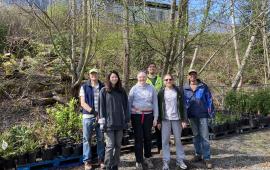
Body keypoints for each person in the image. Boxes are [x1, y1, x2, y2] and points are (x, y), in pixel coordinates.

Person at [183, 69, 215, 169]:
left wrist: (211, 112)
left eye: (194, 74)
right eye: (190, 74)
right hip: (192, 116)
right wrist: (184, 116)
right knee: (196, 135)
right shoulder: (185, 88)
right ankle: (198, 154)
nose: (192, 76)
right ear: (188, 76)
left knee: (204, 136)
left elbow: (209, 99)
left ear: (196, 75)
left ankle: (207, 157)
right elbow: (183, 103)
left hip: (203, 115)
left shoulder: (203, 86)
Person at [99, 70, 129, 170]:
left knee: (118, 145)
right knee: (110, 146)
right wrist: (102, 123)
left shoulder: (122, 91)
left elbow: (126, 106)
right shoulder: (104, 91)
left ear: (118, 78)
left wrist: (126, 120)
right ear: (109, 78)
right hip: (109, 124)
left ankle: (115, 165)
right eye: (112, 77)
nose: (114, 78)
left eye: (116, 77)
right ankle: (108, 165)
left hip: (120, 123)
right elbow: (101, 107)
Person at [129, 71, 158, 170]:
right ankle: (139, 161)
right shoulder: (134, 89)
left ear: (146, 78)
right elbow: (129, 103)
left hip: (148, 116)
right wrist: (128, 117)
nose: (142, 79)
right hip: (136, 116)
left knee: (148, 137)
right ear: (137, 78)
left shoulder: (152, 88)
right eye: (140, 77)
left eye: (144, 77)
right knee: (138, 138)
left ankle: (148, 157)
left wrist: (156, 117)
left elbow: (155, 103)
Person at [157, 74, 188, 170]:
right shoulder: (161, 92)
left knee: (178, 140)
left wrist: (184, 119)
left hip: (177, 119)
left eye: (170, 79)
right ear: (163, 81)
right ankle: (166, 162)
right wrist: (158, 121)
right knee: (165, 141)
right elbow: (158, 107)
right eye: (166, 80)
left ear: (173, 80)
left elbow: (183, 106)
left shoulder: (178, 91)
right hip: (165, 120)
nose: (168, 81)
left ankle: (180, 160)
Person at [79, 68, 105, 170]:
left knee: (101, 139)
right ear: (89, 75)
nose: (94, 75)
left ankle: (101, 160)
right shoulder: (84, 87)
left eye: (95, 74)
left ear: (98, 75)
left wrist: (101, 114)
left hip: (100, 117)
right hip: (88, 117)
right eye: (92, 74)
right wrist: (94, 112)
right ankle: (87, 162)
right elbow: (82, 103)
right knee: (86, 140)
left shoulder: (103, 87)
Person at [146, 63, 163, 154]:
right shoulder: (145, 79)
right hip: (148, 107)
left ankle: (160, 148)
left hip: (159, 106)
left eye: (153, 67)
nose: (152, 68)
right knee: (147, 129)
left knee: (159, 128)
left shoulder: (160, 79)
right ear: (148, 69)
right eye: (150, 67)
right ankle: (148, 149)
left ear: (156, 69)